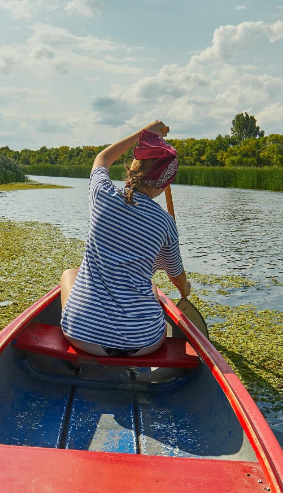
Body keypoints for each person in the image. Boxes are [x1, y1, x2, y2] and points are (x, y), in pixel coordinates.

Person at [59, 120, 191, 356]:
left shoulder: (103, 196)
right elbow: (176, 276)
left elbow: (102, 158)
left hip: (82, 337)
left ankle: (82, 355)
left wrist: (142, 134)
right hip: (143, 343)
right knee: (151, 286)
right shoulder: (165, 223)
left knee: (69, 274)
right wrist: (185, 289)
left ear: (133, 168)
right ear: (166, 182)